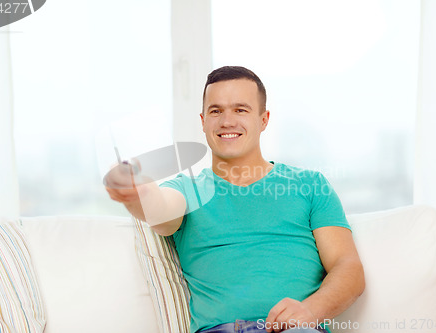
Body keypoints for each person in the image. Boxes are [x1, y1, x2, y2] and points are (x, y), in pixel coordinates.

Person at [105, 66, 365, 333]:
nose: (227, 121)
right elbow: (160, 212)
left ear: (264, 120)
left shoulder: (310, 185)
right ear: (203, 120)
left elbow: (348, 269)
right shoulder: (187, 189)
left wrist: (311, 310)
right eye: (216, 111)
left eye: (240, 110)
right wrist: (138, 190)